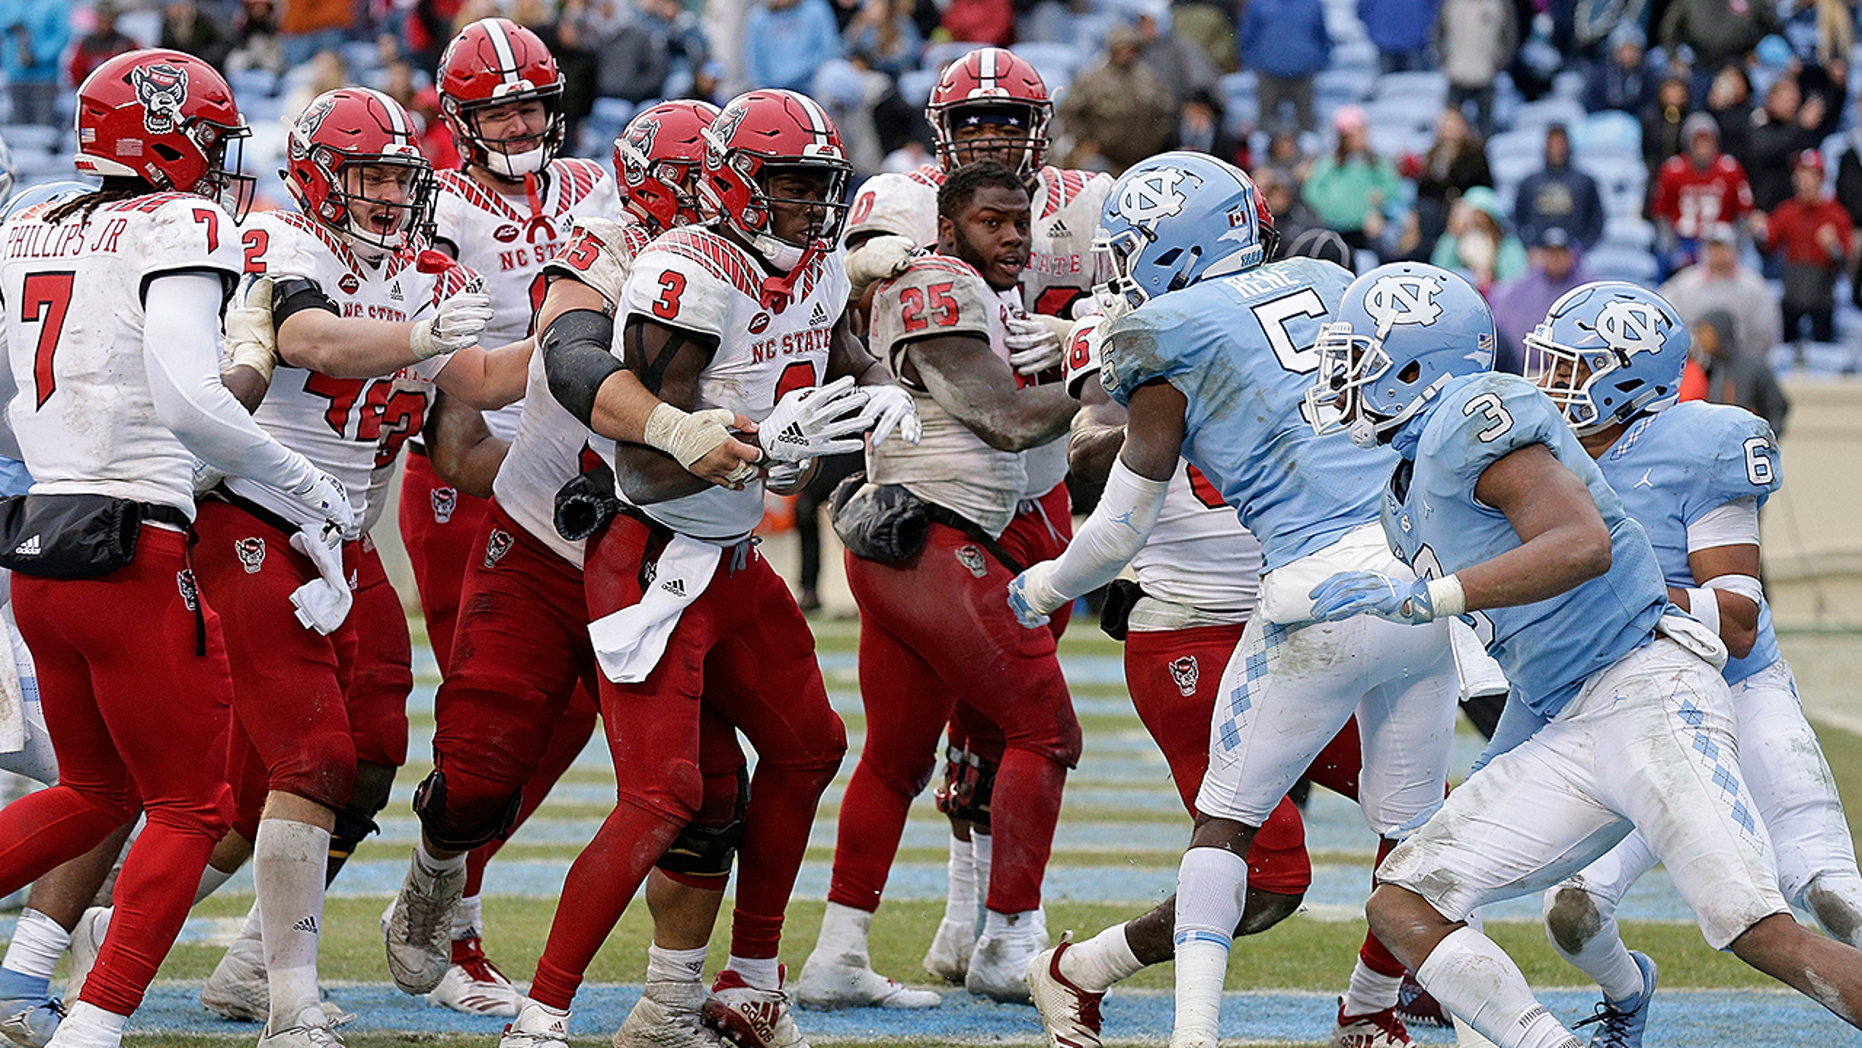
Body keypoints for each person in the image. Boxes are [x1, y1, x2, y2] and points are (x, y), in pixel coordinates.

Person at [1301, 260, 1862, 1048]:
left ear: (1416, 369)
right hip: (1565, 712)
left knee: (1758, 928)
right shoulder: (1409, 477)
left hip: (1649, 692)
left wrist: (1432, 596)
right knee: (1403, 900)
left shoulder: (1479, 418)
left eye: (1360, 359)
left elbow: (1584, 545)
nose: (1344, 379)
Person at [1006, 153, 1459, 1048]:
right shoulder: (1325, 283)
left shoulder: (1154, 331)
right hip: (1217, 617)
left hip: (1299, 600)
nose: (1122, 265)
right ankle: (1086, 969)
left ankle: (1364, 1008)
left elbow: (1117, 514)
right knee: (1288, 868)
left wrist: (1043, 586)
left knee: (1410, 828)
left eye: (1135, 247)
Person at [500, 88, 917, 1048]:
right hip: (652, 555)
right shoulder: (687, 274)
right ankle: (540, 1016)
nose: (812, 208)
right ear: (733, 182)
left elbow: (836, 349)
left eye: (822, 187)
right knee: (665, 796)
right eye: (790, 186)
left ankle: (748, 978)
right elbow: (645, 458)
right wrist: (768, 438)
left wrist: (885, 394)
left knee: (810, 745)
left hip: (728, 558)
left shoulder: (811, 261)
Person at [0, 49, 351, 1048]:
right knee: (191, 807)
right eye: (207, 137)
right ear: (160, 132)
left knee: (90, 790)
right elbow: (191, 401)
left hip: (41, 550)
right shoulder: (177, 219)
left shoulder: (31, 219)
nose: (217, 160)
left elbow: (8, 402)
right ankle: (94, 1027)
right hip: (132, 552)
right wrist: (305, 480)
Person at [192, 86, 527, 1048]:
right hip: (253, 521)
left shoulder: (425, 270)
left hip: (344, 536)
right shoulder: (283, 245)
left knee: (370, 756)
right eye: (367, 174)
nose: (386, 193)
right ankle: (289, 1001)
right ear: (315, 177)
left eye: (396, 175)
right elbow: (307, 339)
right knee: (312, 759)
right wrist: (420, 339)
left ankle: (216, 948)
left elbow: (478, 402)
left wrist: (580, 340)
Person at [821, 46, 1114, 1002]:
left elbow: (1165, 294)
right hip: (949, 492)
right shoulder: (904, 209)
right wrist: (1086, 369)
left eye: (1009, 120)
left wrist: (1088, 327)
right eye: (974, 121)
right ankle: (993, 929)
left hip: (1033, 496)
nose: (991, 136)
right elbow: (842, 318)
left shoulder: (1091, 203)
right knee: (1035, 725)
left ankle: (877, 945)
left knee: (970, 732)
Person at [1523, 280, 1862, 1046]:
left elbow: (1736, 620)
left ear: (1627, 382)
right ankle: (1627, 995)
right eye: (1547, 363)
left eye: (1570, 369)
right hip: (1626, 707)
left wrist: (1615, 588)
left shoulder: (1697, 446)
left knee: (1834, 895)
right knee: (1570, 913)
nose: (1547, 384)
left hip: (1735, 688)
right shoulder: (1535, 451)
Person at [388, 22, 621, 1014]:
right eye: (501, 108)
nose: (523, 122)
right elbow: (444, 372)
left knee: (562, 715)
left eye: (531, 102)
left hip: (573, 463)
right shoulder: (434, 204)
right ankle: (453, 923)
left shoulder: (594, 185)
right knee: (484, 722)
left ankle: (433, 901)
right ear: (462, 119)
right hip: (467, 472)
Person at [1659, 223, 1781, 377]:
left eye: (1722, 247)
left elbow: (1764, 333)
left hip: (1740, 367)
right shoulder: (1683, 284)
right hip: (1694, 365)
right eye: (1712, 248)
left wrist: (1741, 361)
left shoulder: (1754, 287)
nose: (1717, 253)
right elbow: (1666, 322)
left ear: (1734, 250)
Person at [1055, 26, 1175, 174]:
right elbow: (1068, 111)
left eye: (1131, 49)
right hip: (1103, 156)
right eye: (1122, 48)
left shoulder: (1148, 77)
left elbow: (1166, 107)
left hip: (1142, 157)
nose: (1126, 53)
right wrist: (1084, 140)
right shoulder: (1092, 79)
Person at [1764, 149, 1853, 345]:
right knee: (1785, 348)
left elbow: (1846, 265)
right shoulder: (1787, 211)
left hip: (1822, 298)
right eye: (1799, 175)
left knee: (1824, 352)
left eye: (1808, 175)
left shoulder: (1836, 215)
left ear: (1820, 178)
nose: (1801, 180)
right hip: (1792, 295)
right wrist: (1758, 232)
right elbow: (1767, 248)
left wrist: (1833, 248)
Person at [1650, 113, 1753, 277]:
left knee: (1749, 265)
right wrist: (1671, 246)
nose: (1703, 147)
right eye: (1698, 141)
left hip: (1721, 241)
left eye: (1708, 141)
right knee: (1665, 263)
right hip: (1684, 240)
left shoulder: (1730, 169)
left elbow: (1743, 213)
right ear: (1688, 143)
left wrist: (1737, 248)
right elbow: (1662, 213)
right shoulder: (1672, 170)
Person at [1488, 226, 1593, 374]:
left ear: (1571, 254)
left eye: (1561, 253)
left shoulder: (1589, 290)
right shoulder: (1520, 288)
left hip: (1575, 374)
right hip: (1525, 372)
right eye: (1551, 253)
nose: (1556, 259)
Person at [1304, 106, 1404, 260]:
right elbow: (1312, 191)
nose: (1361, 137)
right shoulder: (1328, 162)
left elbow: (1392, 187)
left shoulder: (1377, 163)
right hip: (1334, 227)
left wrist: (1380, 200)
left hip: (1367, 229)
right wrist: (1327, 206)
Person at [1237, 0, 1330, 136]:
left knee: (1306, 125)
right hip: (1268, 73)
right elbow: (1248, 34)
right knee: (1266, 126)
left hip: (1303, 73)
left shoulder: (1312, 3)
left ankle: (1308, 155)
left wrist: (1318, 61)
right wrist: (1256, 62)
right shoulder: (1259, 3)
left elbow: (1321, 34)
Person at [1511, 124, 1605, 252]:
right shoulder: (1529, 182)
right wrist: (1530, 248)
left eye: (1560, 143)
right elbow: (1517, 220)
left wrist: (1579, 250)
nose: (1557, 149)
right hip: (1538, 256)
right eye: (1553, 143)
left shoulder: (1585, 182)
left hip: (1576, 257)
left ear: (1568, 145)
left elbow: (1596, 222)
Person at [1436, 0, 1515, 135]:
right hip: (1456, 74)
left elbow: (1510, 37)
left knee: (1484, 130)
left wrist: (1497, 65)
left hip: (1485, 76)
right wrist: (1445, 60)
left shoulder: (1500, 4)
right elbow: (1438, 33)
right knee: (1450, 129)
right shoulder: (1451, 3)